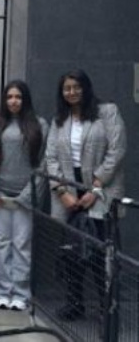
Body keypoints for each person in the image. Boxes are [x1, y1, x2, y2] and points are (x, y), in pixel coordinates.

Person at [45, 69, 126, 320]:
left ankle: (106, 309)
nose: (72, 92)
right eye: (67, 88)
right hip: (70, 194)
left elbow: (117, 150)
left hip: (100, 193)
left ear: (86, 87)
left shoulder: (107, 112)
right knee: (71, 254)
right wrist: (62, 191)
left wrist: (96, 187)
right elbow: (51, 157)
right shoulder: (60, 120)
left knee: (101, 256)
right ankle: (75, 303)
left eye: (76, 87)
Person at [0, 80, 48, 312]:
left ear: (26, 100)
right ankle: (2, 292)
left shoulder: (39, 124)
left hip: (26, 194)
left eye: (18, 97)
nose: (14, 101)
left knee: (22, 244)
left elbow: (44, 163)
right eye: (10, 97)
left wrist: (28, 194)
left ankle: (21, 293)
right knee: (1, 244)